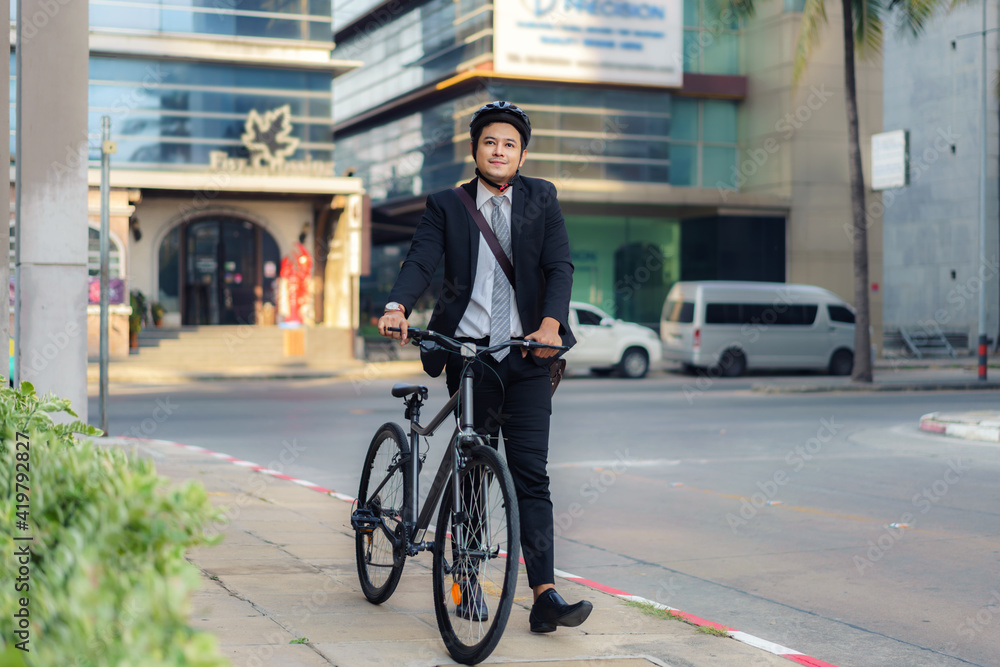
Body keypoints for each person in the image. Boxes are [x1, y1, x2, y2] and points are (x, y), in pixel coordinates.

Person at [378, 101, 592, 633]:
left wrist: (550, 323)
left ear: (522, 153)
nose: (499, 151)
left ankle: (545, 594)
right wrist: (397, 306)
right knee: (474, 465)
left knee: (531, 475)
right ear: (475, 149)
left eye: (510, 144)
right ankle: (467, 577)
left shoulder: (542, 198)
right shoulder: (447, 205)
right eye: (490, 142)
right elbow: (421, 261)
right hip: (468, 355)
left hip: (526, 354)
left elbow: (558, 265)